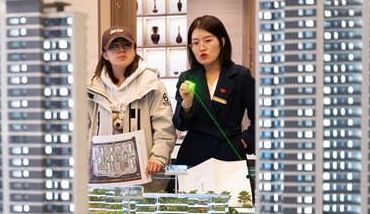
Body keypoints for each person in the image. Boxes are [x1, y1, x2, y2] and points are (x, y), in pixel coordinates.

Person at [87, 26, 176, 191]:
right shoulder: (91, 89)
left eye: (126, 45)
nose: (121, 50)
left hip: (145, 177)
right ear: (105, 54)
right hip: (101, 179)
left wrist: (158, 157)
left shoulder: (152, 84)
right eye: (114, 46)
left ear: (135, 50)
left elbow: (164, 126)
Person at [173, 15, 255, 167]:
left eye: (208, 40)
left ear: (222, 42)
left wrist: (243, 142)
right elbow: (180, 125)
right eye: (195, 43)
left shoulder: (241, 76)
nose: (201, 47)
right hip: (193, 155)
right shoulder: (187, 78)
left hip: (229, 153)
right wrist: (187, 103)